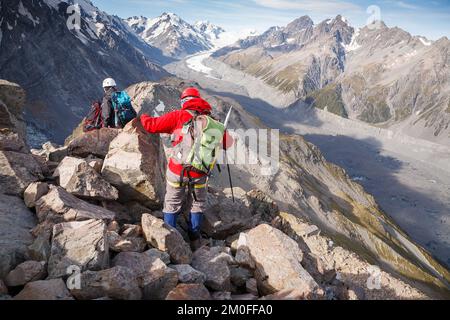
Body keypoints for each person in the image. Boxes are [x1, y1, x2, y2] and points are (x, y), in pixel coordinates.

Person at [140, 87, 234, 249]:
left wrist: (142, 116)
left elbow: (151, 126)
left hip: (177, 170)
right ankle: (195, 239)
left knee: (172, 202)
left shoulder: (178, 116)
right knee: (197, 204)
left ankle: (170, 240)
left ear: (184, 102)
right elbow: (229, 144)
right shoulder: (213, 123)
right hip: (200, 172)